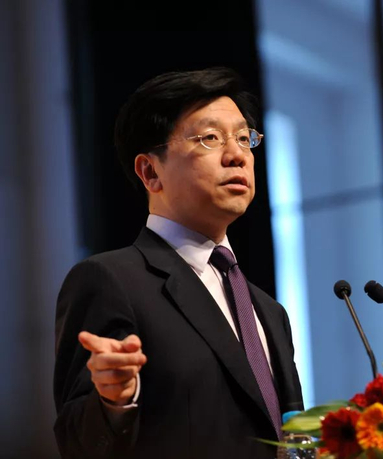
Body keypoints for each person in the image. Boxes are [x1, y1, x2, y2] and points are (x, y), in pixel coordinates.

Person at [53, 67, 304, 458]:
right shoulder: (110, 281)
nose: (238, 156)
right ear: (150, 171)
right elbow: (77, 444)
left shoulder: (269, 311)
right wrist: (116, 402)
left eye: (244, 138)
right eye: (210, 138)